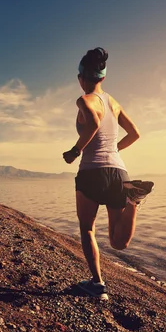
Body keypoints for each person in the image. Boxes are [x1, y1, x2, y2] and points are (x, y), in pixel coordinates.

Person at [62, 47, 154, 300]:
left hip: (92, 172)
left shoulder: (84, 100)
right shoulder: (114, 103)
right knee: (117, 241)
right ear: (103, 77)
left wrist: (75, 150)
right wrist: (113, 149)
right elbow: (135, 134)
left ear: (81, 77)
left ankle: (97, 284)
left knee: (87, 229)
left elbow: (92, 123)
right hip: (119, 173)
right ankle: (133, 202)